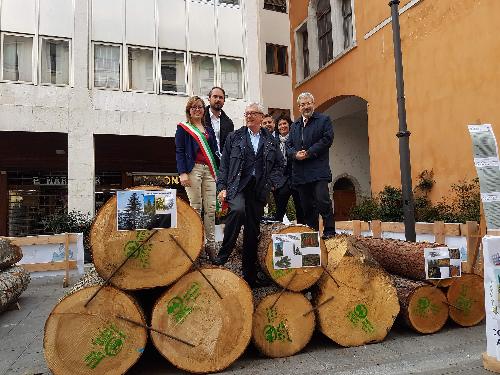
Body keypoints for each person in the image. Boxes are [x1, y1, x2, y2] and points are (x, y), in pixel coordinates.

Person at [213, 103, 284, 287]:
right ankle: (223, 254)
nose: (249, 116)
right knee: (237, 210)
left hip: (259, 189)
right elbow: (224, 166)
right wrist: (222, 187)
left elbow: (279, 164)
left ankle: (249, 275)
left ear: (261, 117)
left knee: (253, 231)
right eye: (247, 113)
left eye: (253, 113)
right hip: (237, 186)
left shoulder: (270, 140)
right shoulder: (234, 137)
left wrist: (272, 184)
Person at [287, 92, 336, 238]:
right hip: (300, 172)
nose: (306, 107)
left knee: (323, 201)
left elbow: (327, 139)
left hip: (318, 170)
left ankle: (329, 231)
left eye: (308, 103)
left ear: (313, 104)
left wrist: (309, 152)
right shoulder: (294, 125)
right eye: (303, 104)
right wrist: (295, 154)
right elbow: (288, 146)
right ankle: (313, 235)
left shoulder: (324, 120)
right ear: (299, 107)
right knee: (307, 206)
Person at [175, 96, 219, 259]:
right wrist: (182, 173)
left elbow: (214, 152)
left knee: (211, 208)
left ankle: (211, 245)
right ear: (189, 111)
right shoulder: (183, 128)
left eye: (200, 107)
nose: (197, 110)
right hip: (192, 170)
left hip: (209, 170)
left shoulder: (208, 129)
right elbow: (179, 151)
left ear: (204, 109)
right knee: (196, 207)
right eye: (193, 107)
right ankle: (196, 245)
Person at [273, 115, 305, 224]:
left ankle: (302, 229)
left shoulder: (297, 138)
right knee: (280, 209)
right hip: (281, 180)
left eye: (284, 123)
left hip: (296, 177)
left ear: (289, 125)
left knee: (300, 207)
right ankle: (277, 232)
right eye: (280, 124)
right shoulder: (274, 142)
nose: (282, 126)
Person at [204, 86, 235, 162]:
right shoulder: (201, 118)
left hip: (221, 165)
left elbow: (229, 146)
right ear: (209, 98)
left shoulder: (229, 123)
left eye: (221, 97)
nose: (218, 99)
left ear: (224, 100)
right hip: (203, 163)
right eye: (215, 96)